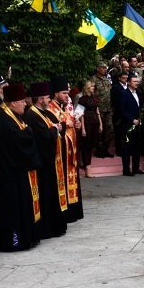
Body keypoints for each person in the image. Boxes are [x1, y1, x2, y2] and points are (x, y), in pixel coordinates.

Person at [0, 84, 41, 251]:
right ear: (13, 103)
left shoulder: (13, 116)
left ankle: (25, 237)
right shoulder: (4, 119)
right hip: (7, 175)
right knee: (12, 209)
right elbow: (21, 142)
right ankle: (14, 241)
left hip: (15, 172)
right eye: (22, 101)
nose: (25, 104)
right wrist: (29, 132)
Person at [23, 82, 68, 239]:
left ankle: (54, 226)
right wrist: (55, 129)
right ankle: (48, 228)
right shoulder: (32, 114)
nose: (49, 100)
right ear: (41, 98)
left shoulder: (41, 113)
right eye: (48, 97)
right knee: (45, 196)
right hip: (43, 163)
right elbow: (43, 137)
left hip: (49, 162)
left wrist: (54, 128)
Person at [48, 76, 83, 223]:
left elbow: (70, 123)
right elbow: (53, 128)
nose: (67, 96)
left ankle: (73, 210)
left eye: (67, 93)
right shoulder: (50, 109)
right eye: (64, 93)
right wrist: (66, 124)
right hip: (60, 153)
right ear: (55, 93)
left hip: (70, 152)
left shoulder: (62, 108)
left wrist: (76, 125)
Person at [117, 74, 144, 176]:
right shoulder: (123, 93)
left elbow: (140, 107)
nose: (136, 83)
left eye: (137, 81)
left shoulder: (138, 92)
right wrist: (131, 119)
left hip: (138, 124)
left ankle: (136, 168)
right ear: (128, 82)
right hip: (127, 124)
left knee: (136, 147)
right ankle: (126, 169)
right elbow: (121, 110)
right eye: (134, 81)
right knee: (127, 148)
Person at [77, 79, 102, 177]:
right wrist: (82, 128)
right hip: (86, 123)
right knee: (86, 145)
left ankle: (88, 165)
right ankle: (87, 167)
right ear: (87, 87)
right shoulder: (82, 99)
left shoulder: (94, 98)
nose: (93, 88)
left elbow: (97, 110)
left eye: (93, 86)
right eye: (92, 86)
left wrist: (100, 123)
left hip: (95, 121)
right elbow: (80, 114)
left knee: (91, 145)